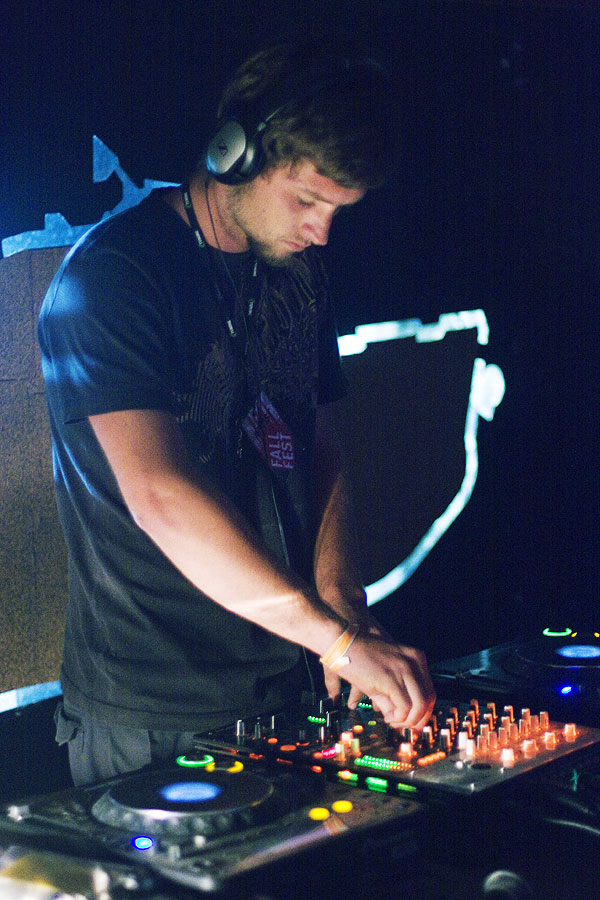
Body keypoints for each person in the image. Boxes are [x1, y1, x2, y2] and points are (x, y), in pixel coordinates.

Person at [38, 42, 436, 786]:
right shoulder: (113, 279)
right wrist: (337, 643)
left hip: (292, 680)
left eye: (337, 211)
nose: (321, 232)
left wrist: (342, 607)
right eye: (306, 201)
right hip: (156, 708)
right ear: (235, 155)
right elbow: (160, 496)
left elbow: (320, 447)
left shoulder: (298, 273)